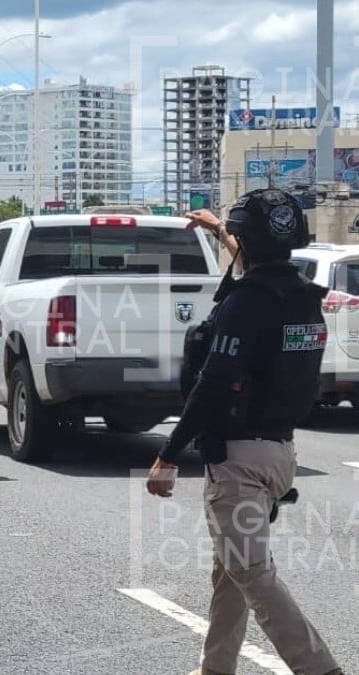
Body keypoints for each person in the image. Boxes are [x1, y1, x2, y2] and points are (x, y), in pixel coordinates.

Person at [146, 189, 342, 675]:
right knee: (230, 569)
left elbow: (213, 383)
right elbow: (255, 265)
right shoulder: (299, 293)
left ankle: (321, 669)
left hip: (239, 462)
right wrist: (218, 228)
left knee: (251, 572)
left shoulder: (245, 304)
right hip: (279, 455)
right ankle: (216, 668)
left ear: (246, 241)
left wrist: (168, 454)